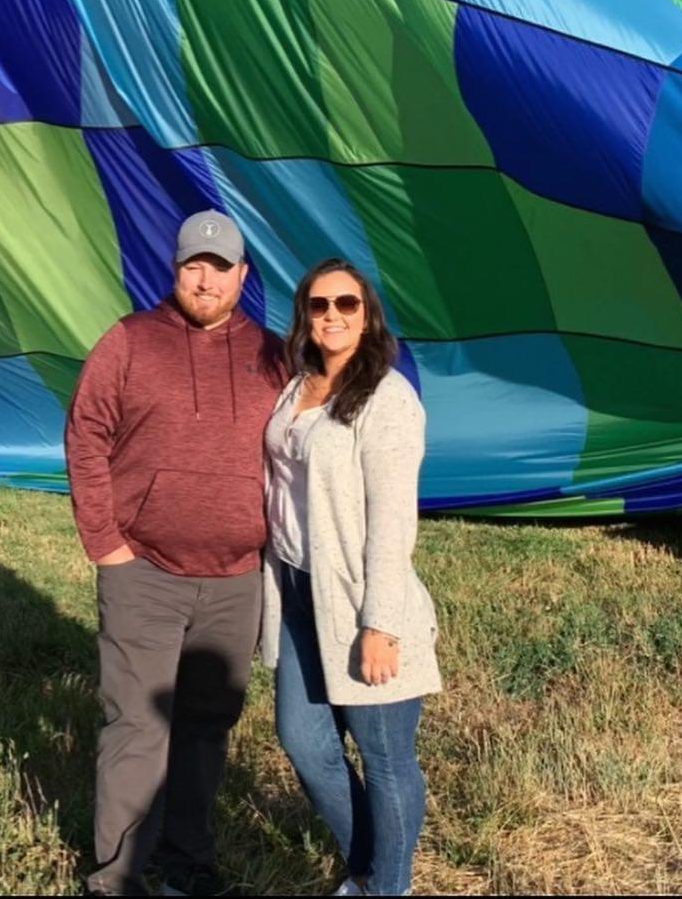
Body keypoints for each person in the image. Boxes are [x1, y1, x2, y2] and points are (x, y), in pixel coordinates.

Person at [66, 211, 286, 898]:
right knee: (136, 726)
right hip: (145, 573)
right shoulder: (129, 342)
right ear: (176, 268)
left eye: (219, 269)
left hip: (236, 581)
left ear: (242, 277)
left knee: (205, 727)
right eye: (194, 265)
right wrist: (107, 545)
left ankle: (188, 860)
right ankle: (119, 876)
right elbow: (86, 434)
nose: (205, 279)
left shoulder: (274, 355)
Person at [260, 259, 441, 898]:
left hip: (358, 599)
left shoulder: (387, 400)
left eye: (347, 304)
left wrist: (380, 623)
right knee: (304, 743)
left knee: (385, 758)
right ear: (304, 316)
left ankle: (386, 886)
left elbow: (394, 522)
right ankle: (367, 866)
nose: (332, 315)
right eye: (319, 304)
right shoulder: (298, 387)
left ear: (368, 316)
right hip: (295, 590)